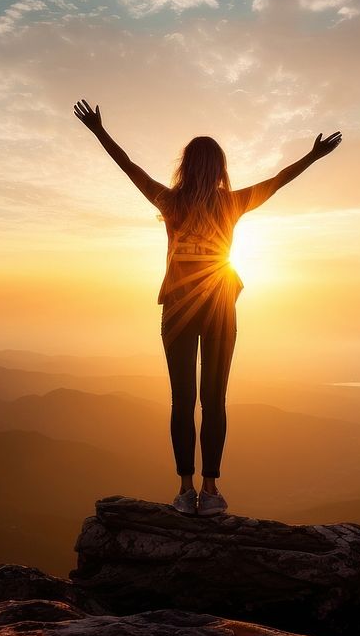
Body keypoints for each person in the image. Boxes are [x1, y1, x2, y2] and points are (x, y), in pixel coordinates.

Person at [73, 99, 341, 516]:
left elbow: (128, 167)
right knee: (214, 399)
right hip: (219, 307)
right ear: (219, 169)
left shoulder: (170, 201)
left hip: (178, 309)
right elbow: (279, 180)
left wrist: (98, 131)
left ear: (186, 167)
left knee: (182, 400)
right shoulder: (232, 204)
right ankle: (211, 491)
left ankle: (184, 490)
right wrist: (313, 155)